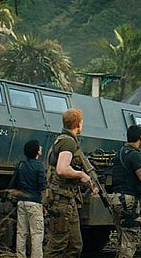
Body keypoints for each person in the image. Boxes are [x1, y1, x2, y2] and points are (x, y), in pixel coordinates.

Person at [44, 108, 98, 258]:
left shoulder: (62, 139)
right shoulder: (68, 142)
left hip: (67, 199)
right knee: (58, 245)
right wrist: (81, 174)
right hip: (62, 201)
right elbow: (62, 169)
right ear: (78, 124)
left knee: (74, 245)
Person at [111, 124, 141, 258]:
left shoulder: (119, 153)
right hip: (128, 200)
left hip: (116, 198)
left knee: (121, 239)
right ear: (140, 138)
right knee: (130, 240)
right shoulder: (134, 155)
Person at [15, 139, 46, 258]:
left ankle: (20, 256)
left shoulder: (22, 165)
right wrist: (44, 204)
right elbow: (42, 187)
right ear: (37, 151)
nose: (41, 148)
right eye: (39, 147)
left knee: (21, 232)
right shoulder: (39, 166)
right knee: (37, 234)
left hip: (21, 202)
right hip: (34, 203)